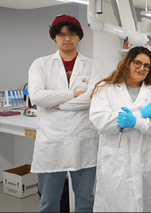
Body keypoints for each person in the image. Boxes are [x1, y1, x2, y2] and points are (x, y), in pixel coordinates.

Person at [28, 14, 103, 212]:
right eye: (61, 34)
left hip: (84, 140)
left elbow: (92, 98)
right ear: (54, 37)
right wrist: (72, 94)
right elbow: (36, 97)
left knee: (85, 200)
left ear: (80, 36)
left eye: (72, 33)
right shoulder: (40, 64)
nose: (67, 38)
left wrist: (59, 104)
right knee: (48, 202)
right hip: (52, 142)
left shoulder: (92, 66)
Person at [89, 46, 151, 212]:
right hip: (117, 162)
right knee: (116, 205)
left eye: (146, 66)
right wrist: (141, 114)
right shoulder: (106, 88)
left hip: (148, 161)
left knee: (149, 204)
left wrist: (135, 122)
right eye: (137, 63)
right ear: (127, 62)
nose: (142, 68)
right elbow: (100, 120)